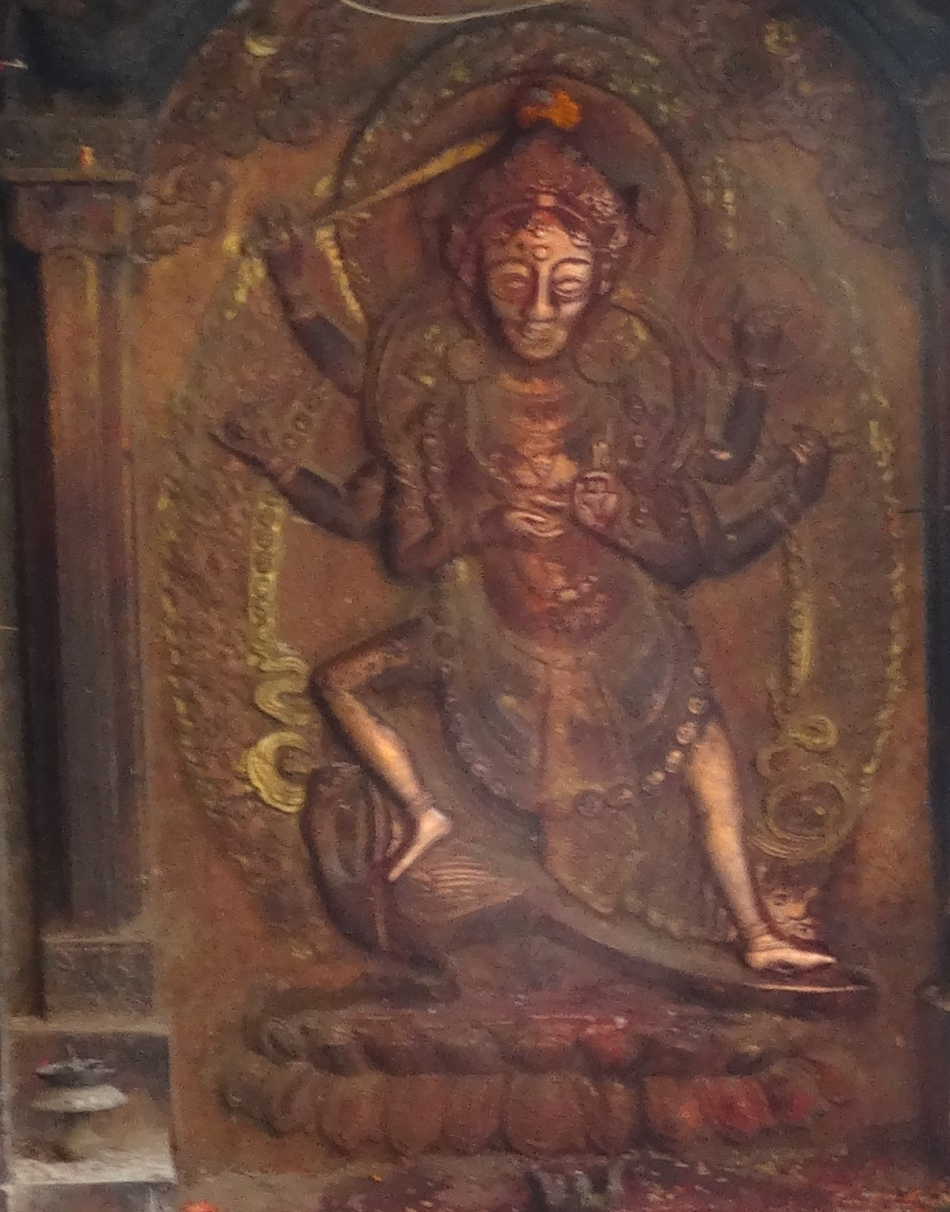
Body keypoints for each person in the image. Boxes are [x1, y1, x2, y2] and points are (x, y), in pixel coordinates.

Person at [218, 90, 834, 974]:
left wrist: (622, 519)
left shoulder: (625, 407)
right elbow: (390, 524)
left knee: (712, 776)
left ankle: (756, 931)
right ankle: (448, 836)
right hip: (488, 644)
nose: (540, 307)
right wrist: (295, 293)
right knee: (360, 697)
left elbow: (693, 553)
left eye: (566, 286)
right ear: (473, 275)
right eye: (515, 278)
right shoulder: (449, 414)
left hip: (629, 640)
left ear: (601, 288)